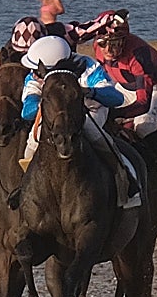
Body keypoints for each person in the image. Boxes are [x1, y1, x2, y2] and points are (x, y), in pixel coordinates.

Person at [18, 35, 139, 203]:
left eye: (37, 71)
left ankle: (123, 176)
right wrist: (51, 99)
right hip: (52, 113)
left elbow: (116, 98)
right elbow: (27, 112)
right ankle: (23, 187)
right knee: (32, 141)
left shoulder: (88, 67)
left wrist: (88, 91)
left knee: (94, 133)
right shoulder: (35, 77)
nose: (33, 74)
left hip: (90, 109)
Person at [91, 10, 157, 188]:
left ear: (124, 40)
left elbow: (142, 102)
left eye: (115, 44)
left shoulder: (139, 55)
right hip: (120, 87)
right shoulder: (98, 47)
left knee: (143, 124)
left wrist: (117, 114)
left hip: (153, 91)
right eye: (103, 43)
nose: (108, 50)